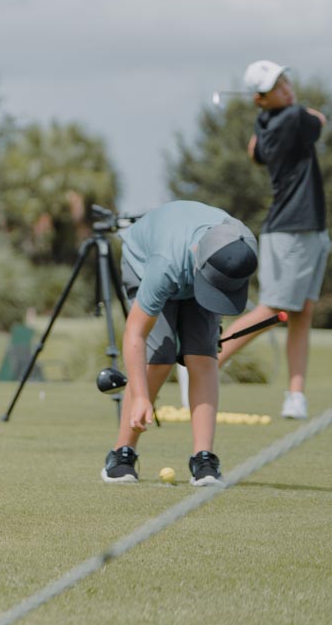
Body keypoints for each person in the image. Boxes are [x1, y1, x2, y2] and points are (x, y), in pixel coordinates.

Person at [102, 201, 258, 487]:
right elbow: (134, 334)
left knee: (203, 356)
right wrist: (140, 397)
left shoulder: (241, 246)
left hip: (201, 268)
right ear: (197, 256)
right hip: (144, 261)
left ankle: (204, 459)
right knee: (159, 358)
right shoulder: (164, 265)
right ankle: (122, 453)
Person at [217, 60, 328, 420]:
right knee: (274, 309)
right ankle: (205, 361)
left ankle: (295, 395)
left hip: (303, 227)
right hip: (292, 229)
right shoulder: (294, 118)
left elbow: (254, 153)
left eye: (285, 81)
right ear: (262, 97)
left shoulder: (266, 123)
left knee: (301, 313)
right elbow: (320, 119)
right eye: (278, 87)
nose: (287, 89)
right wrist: (283, 109)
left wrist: (262, 114)